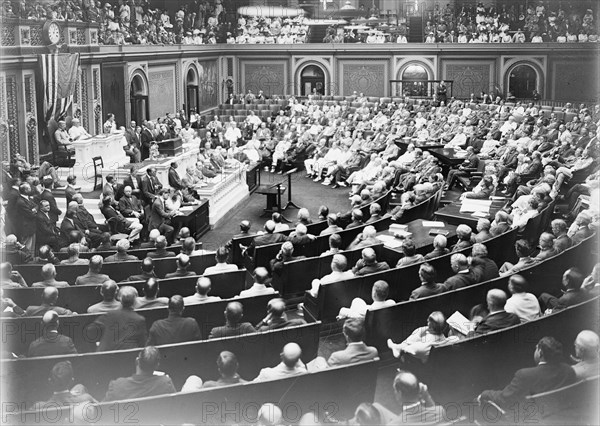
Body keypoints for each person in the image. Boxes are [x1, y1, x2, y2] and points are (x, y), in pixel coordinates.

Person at [478, 337, 576, 408]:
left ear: (540, 352)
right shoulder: (568, 370)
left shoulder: (524, 375)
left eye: (536, 348)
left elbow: (504, 399)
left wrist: (485, 394)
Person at [103, 346, 176, 402]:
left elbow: (103, 410)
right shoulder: (166, 384)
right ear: (157, 365)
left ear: (137, 361)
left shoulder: (116, 386)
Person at [91, 286, 147, 352]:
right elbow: (143, 343)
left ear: (120, 300)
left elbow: (91, 329)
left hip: (106, 356)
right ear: (135, 301)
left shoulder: (110, 314)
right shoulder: (139, 320)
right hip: (128, 356)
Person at [388, 311, 458, 362]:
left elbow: (412, 348)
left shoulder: (427, 339)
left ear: (431, 325)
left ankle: (397, 347)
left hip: (418, 361)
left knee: (417, 335)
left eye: (429, 321)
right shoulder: (443, 337)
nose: (427, 321)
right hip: (433, 360)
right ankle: (397, 346)